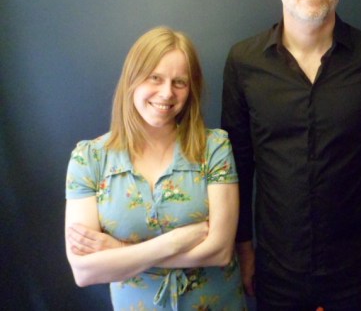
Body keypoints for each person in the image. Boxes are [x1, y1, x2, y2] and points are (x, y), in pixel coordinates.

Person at [221, 0, 361, 310]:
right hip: (275, 267)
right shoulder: (243, 62)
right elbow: (238, 166)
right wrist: (244, 246)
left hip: (356, 264)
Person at [65, 26, 245, 311]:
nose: (166, 93)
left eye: (179, 82)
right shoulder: (89, 159)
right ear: (132, 80)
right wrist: (174, 242)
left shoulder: (214, 147)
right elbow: (85, 271)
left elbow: (220, 251)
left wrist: (119, 252)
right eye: (155, 78)